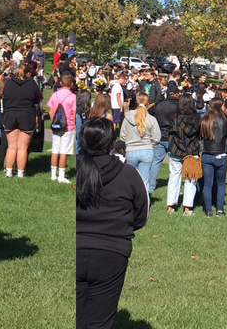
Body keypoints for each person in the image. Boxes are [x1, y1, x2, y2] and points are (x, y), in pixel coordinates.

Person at [76, 116, 149, 329]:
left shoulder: (75, 170)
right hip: (111, 252)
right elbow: (141, 215)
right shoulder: (128, 175)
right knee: (100, 322)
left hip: (86, 248)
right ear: (111, 144)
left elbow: (140, 216)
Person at [1, 60, 43, 178]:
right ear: (28, 73)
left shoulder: (8, 83)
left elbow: (5, 96)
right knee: (23, 147)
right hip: (27, 114)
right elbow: (37, 98)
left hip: (10, 114)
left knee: (12, 146)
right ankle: (20, 173)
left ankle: (8, 171)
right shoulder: (31, 84)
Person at [167, 93, 201, 215]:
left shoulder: (176, 117)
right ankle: (187, 208)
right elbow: (199, 135)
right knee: (190, 179)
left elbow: (171, 132)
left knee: (174, 178)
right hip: (192, 151)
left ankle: (171, 206)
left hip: (176, 150)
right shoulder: (197, 118)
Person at [119, 92, 160, 188]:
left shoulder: (127, 118)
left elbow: (122, 136)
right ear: (148, 103)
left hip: (131, 150)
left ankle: (132, 201)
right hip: (146, 150)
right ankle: (144, 201)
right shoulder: (151, 119)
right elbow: (157, 138)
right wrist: (150, 145)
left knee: (132, 180)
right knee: (144, 180)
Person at [199, 96, 227, 216]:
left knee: (207, 184)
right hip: (221, 154)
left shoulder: (204, 120)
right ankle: (219, 209)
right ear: (219, 106)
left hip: (207, 154)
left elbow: (201, 136)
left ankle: (208, 210)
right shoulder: (225, 120)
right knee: (221, 183)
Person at [48, 72, 77, 183]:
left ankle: (53, 174)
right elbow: (73, 113)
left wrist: (54, 121)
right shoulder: (73, 97)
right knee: (64, 151)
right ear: (71, 84)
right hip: (67, 126)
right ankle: (61, 175)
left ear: (60, 83)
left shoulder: (55, 94)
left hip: (56, 125)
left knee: (55, 149)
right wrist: (73, 125)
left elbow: (51, 111)